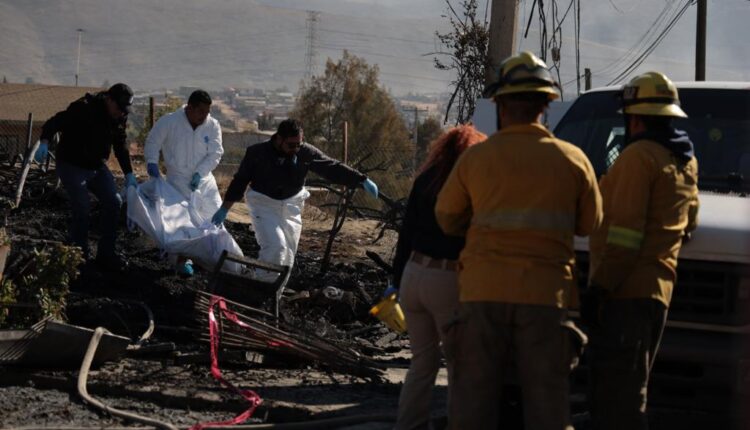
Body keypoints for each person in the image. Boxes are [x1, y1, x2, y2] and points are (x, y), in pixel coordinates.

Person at [434, 51, 602, 430]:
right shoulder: (573, 160)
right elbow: (591, 223)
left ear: (501, 105)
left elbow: (446, 217)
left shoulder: (477, 159)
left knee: (473, 404)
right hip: (546, 298)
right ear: (545, 105)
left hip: (482, 294)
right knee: (547, 405)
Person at [581, 71, 699, 430]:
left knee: (619, 398)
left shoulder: (638, 158)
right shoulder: (685, 161)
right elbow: (688, 224)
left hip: (626, 293)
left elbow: (626, 235)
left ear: (635, 118)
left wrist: (600, 287)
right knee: (634, 387)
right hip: (658, 291)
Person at [390, 125, 486, 430]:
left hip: (413, 275)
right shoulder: (467, 182)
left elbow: (405, 236)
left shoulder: (425, 180)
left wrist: (395, 280)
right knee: (461, 365)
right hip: (446, 278)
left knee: (422, 363)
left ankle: (408, 425)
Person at [211, 119, 378, 277]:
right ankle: (261, 286)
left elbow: (331, 167)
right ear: (279, 139)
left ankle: (276, 291)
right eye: (291, 145)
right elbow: (240, 181)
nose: (296, 149)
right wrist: (225, 208)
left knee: (289, 252)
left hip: (292, 206)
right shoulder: (257, 153)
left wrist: (360, 180)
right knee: (276, 247)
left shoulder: (304, 152)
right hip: (264, 204)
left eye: (299, 144)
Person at [36, 83, 137, 271]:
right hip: (71, 164)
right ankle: (78, 255)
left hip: (96, 166)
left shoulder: (119, 116)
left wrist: (129, 173)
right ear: (109, 100)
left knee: (114, 202)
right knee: (82, 206)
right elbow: (55, 122)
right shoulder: (83, 108)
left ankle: (106, 254)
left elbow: (120, 144)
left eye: (125, 110)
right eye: (119, 108)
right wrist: (44, 141)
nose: (122, 113)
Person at [144, 90, 223, 276]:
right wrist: (151, 162)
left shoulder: (212, 125)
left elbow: (215, 153)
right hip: (177, 181)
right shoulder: (169, 122)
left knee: (213, 219)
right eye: (201, 111)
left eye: (207, 111)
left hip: (204, 181)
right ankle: (181, 260)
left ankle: (211, 258)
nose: (205, 116)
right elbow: (153, 142)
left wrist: (200, 173)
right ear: (190, 108)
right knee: (181, 223)